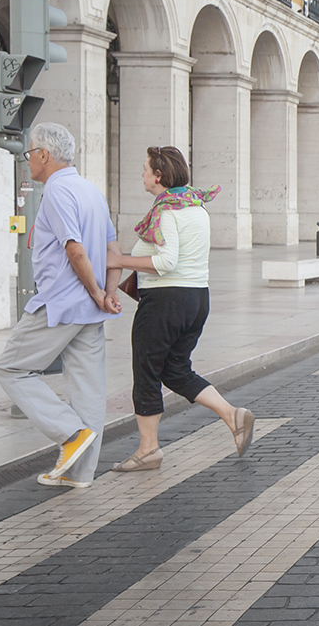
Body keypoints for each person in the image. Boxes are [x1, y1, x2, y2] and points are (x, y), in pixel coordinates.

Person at [106, 146, 253, 471]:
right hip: (196, 299)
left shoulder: (167, 212)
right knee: (175, 370)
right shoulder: (196, 207)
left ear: (159, 176)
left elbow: (166, 261)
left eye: (145, 169)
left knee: (146, 372)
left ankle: (148, 450)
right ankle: (233, 415)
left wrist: (118, 260)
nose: (142, 174)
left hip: (164, 302)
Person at [0, 123, 121, 489]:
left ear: (45, 156)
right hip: (89, 309)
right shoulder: (91, 191)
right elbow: (113, 249)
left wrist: (98, 292)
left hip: (60, 304)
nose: (28, 159)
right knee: (89, 390)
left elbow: (74, 249)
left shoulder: (57, 191)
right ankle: (80, 475)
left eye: (30, 153)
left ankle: (69, 433)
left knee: (11, 370)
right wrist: (106, 293)